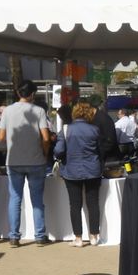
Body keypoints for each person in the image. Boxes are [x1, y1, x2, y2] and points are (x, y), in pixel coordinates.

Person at [0, 80, 53, 248]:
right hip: (36, 160)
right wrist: (44, 152)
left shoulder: (7, 111)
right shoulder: (39, 111)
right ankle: (39, 236)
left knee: (15, 199)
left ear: (17, 92)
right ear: (33, 94)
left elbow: (0, 137)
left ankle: (14, 237)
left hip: (13, 161)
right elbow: (45, 137)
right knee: (37, 199)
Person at [54, 101, 104, 246]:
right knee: (93, 203)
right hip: (93, 170)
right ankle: (94, 236)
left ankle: (78, 238)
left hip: (71, 170)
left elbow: (59, 150)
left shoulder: (66, 129)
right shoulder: (95, 129)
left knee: (75, 205)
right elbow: (100, 150)